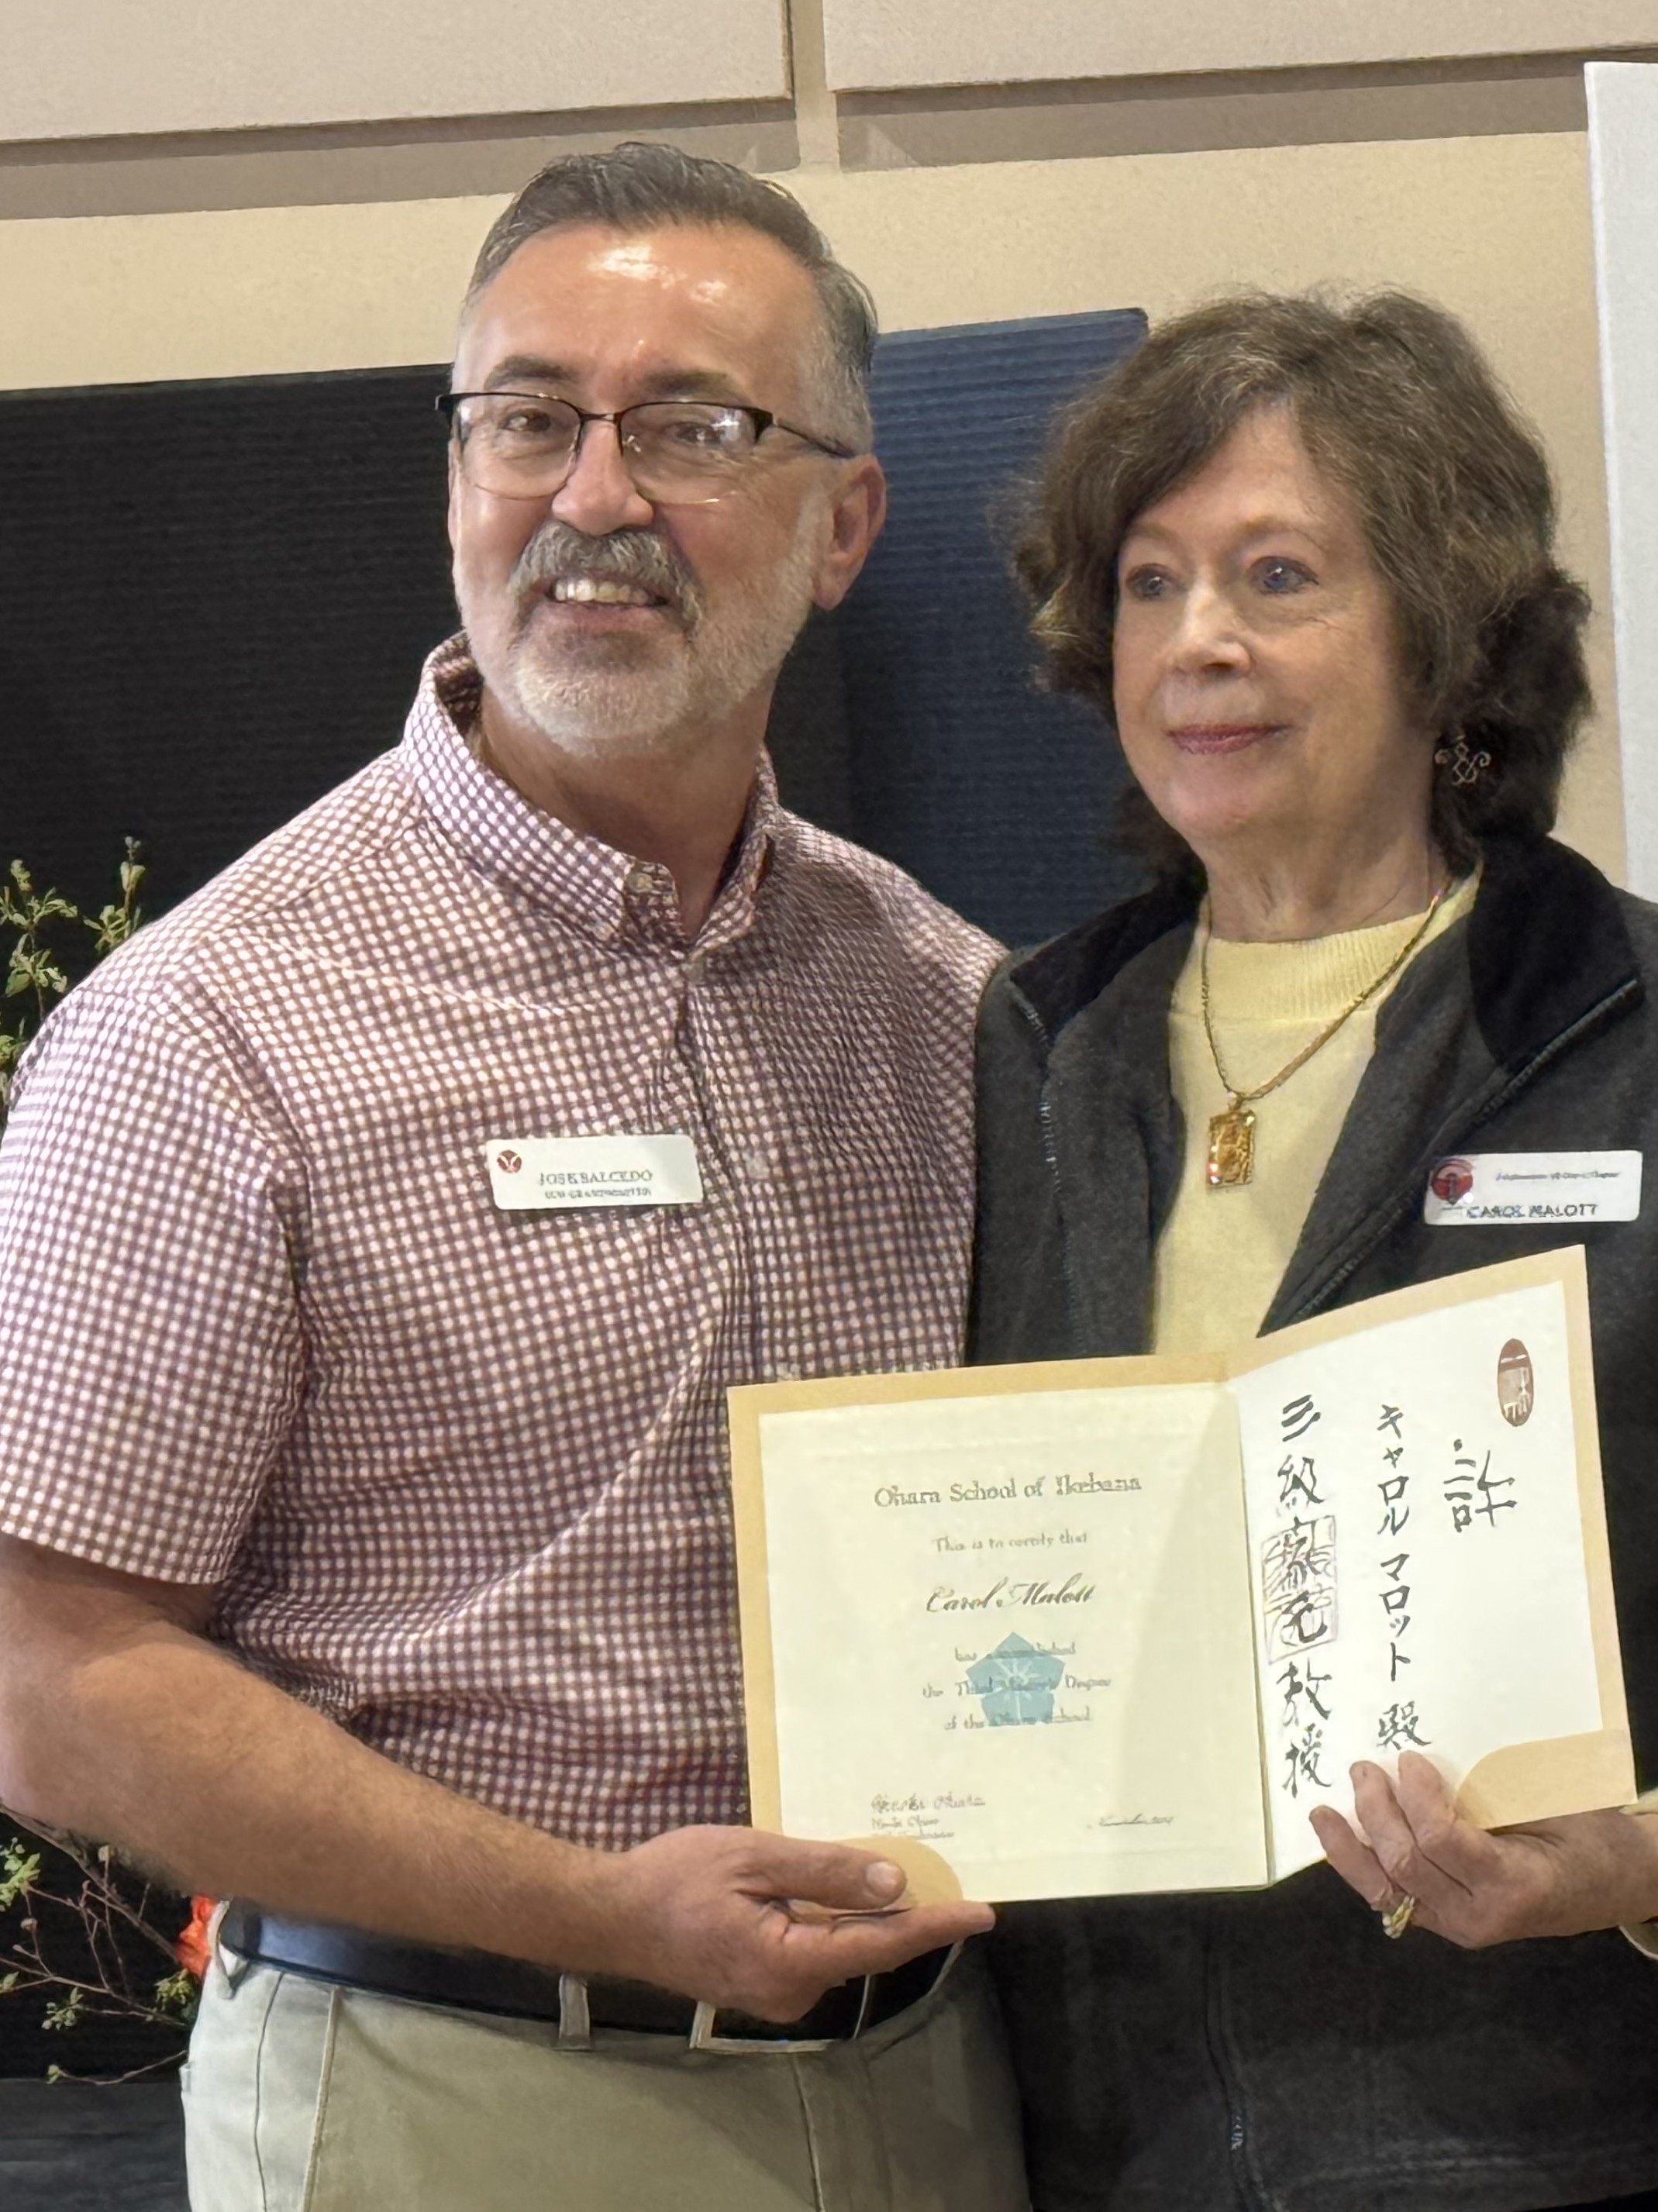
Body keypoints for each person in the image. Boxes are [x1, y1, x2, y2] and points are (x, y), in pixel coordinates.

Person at [0, 143, 1024, 2210]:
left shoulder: (943, 998)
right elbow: (44, 1670)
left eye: (694, 428)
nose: (597, 496)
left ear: (845, 524)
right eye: (529, 418)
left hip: (935, 2090)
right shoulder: (205, 1029)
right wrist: (597, 1902)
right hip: (451, 2098)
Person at [971, 289, 1658, 2212]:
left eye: (1274, 575)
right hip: (1133, 2152)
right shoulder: (1030, 1045)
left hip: (1606, 2142)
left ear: (1445, 630)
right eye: (1148, 584)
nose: (1198, 645)